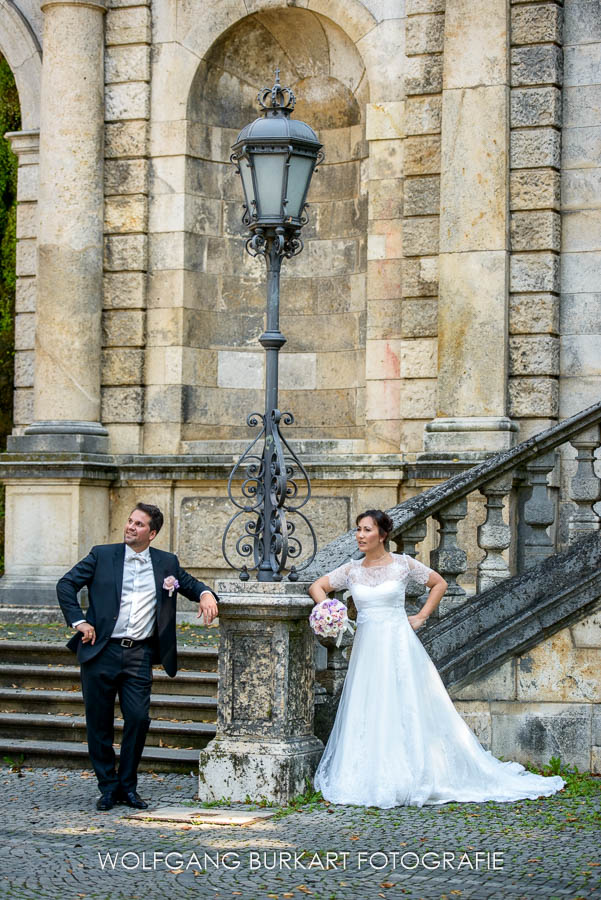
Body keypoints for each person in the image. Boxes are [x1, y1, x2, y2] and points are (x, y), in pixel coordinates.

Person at [309, 508, 565, 808]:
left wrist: (421, 616)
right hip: (367, 650)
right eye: (358, 529)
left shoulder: (403, 565)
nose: (360, 535)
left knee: (407, 703)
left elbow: (439, 583)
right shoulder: (352, 570)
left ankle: (416, 771)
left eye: (366, 530)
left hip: (399, 644)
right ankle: (372, 771)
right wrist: (329, 610)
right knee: (370, 703)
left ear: (383, 534)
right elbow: (318, 586)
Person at [56, 502, 219, 811]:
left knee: (139, 719)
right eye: (130, 521)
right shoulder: (102, 555)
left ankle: (128, 786)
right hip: (100, 651)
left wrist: (207, 594)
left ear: (152, 533)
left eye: (139, 524)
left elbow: (191, 585)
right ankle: (108, 787)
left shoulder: (166, 563)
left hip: (139, 655)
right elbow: (66, 584)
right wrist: (80, 621)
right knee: (99, 724)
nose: (130, 527)